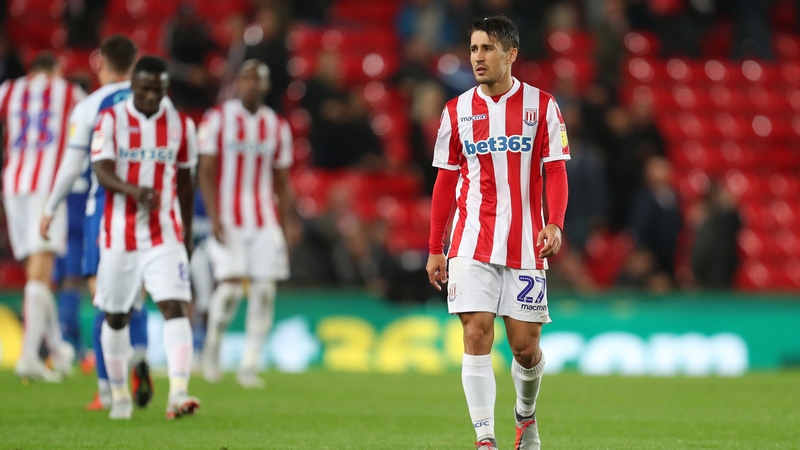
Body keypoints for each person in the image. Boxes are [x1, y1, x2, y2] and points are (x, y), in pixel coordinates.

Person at [425, 16, 569, 450]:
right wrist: (436, 247)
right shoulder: (456, 112)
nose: (478, 58)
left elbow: (556, 170)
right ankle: (484, 438)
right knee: (475, 334)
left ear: (511, 54)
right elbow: (445, 182)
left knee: (525, 348)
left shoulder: (543, 106)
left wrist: (555, 222)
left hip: (526, 243)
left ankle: (525, 415)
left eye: (487, 49)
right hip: (471, 241)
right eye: (473, 49)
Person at [40, 36, 153, 410]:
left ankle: (107, 388)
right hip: (145, 207)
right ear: (135, 63)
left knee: (104, 297)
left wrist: (49, 207)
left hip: (102, 210)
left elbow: (72, 166)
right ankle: (139, 354)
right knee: (134, 295)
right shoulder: (154, 103)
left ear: (101, 64)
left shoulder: (90, 106)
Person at [90, 56, 198, 420]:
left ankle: (179, 393)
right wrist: (133, 190)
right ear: (133, 86)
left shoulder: (181, 124)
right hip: (119, 236)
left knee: (174, 306)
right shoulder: (111, 119)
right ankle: (120, 395)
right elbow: (101, 171)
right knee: (116, 316)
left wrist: (186, 235)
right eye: (145, 88)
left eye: (159, 89)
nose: (152, 96)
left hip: (164, 233)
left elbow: (185, 181)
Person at [197, 61, 294, 388]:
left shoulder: (277, 125)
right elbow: (206, 171)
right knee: (229, 289)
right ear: (237, 83)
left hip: (264, 218)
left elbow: (281, 180)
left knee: (265, 290)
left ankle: (249, 365)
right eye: (247, 79)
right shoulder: (217, 119)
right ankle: (211, 348)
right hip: (228, 217)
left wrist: (285, 224)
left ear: (266, 86)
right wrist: (212, 216)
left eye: (259, 79)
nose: (252, 85)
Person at [0, 52, 86, 382]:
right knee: (41, 274)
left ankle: (57, 349)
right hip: (47, 189)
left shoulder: (9, 89)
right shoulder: (68, 92)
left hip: (13, 186)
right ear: (56, 70)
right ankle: (28, 356)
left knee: (37, 274)